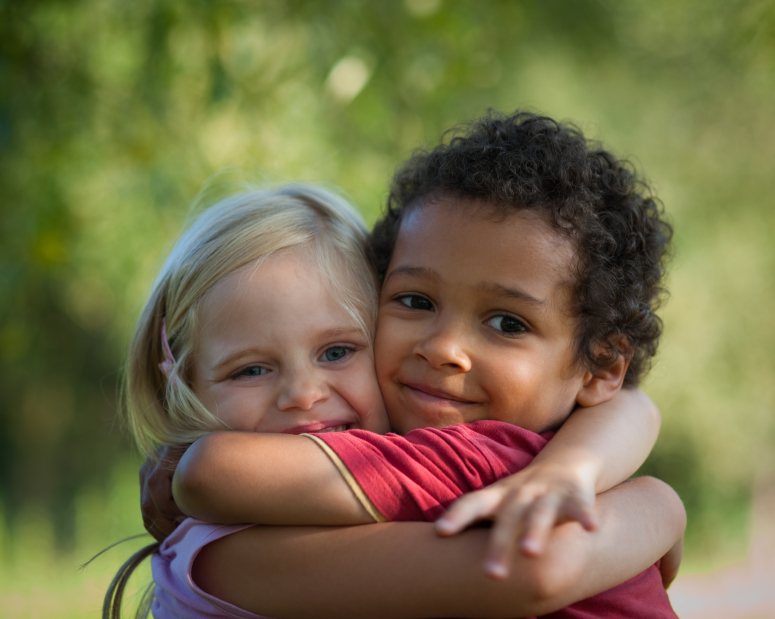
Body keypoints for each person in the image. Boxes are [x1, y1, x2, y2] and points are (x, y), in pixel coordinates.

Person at [117, 114, 682, 617]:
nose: (442, 348)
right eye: (416, 302)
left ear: (599, 365)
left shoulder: (519, 467)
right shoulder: (232, 549)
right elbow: (538, 568)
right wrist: (656, 507)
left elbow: (631, 407)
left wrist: (640, 497)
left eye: (508, 323)